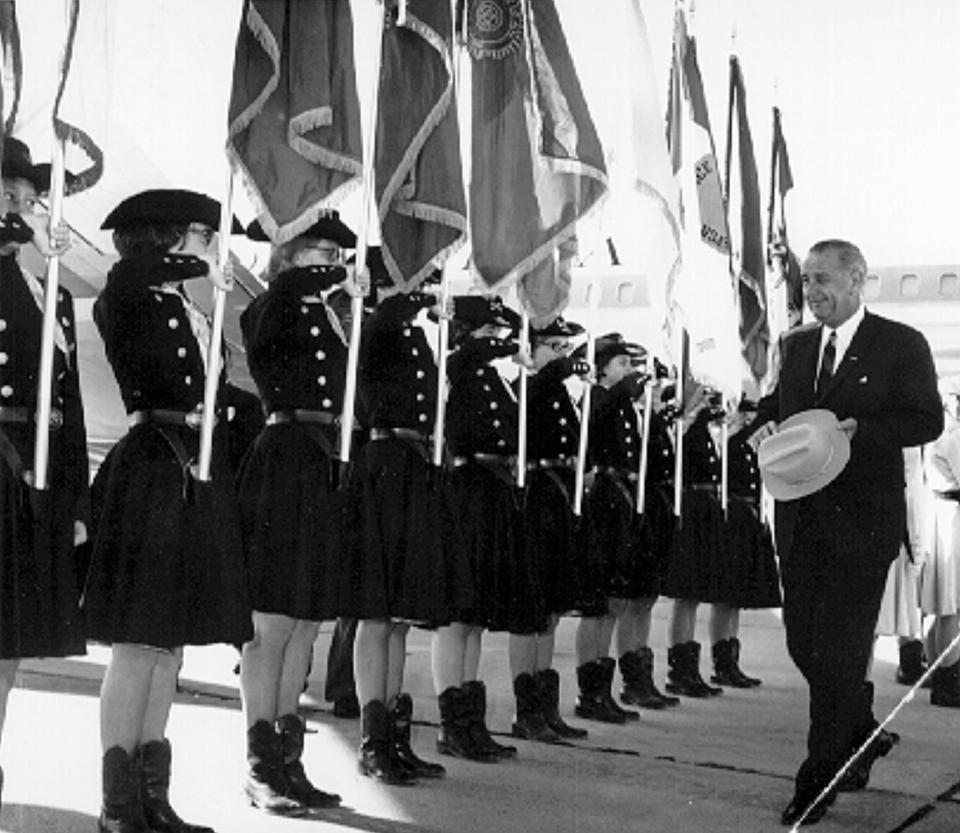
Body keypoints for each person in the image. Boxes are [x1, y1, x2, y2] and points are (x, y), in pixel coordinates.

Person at [751, 239, 942, 827]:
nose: (813, 292)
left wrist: (867, 431)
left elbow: (927, 419)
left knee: (837, 653)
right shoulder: (796, 345)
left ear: (858, 280)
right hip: (801, 520)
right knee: (802, 645)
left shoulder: (900, 344)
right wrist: (758, 427)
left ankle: (819, 777)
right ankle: (860, 731)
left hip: (862, 525)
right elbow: (774, 407)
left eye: (824, 280)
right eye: (807, 281)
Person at [84, 190, 253, 833]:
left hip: (192, 466)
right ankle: (117, 804)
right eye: (205, 236)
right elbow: (128, 276)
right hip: (153, 465)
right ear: (171, 237)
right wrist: (195, 270)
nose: (213, 248)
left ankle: (152, 798)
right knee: (137, 642)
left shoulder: (184, 303)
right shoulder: (129, 293)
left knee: (167, 646)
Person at [235, 213, 356, 812]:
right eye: (319, 251)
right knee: (272, 625)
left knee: (307, 622)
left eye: (337, 252)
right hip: (284, 458)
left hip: (324, 460)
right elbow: (260, 338)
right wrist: (302, 280)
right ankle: (259, 765)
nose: (332, 261)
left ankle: (287, 757)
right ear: (287, 256)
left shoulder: (332, 316)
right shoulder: (270, 305)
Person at [342, 274, 463, 785]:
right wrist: (409, 297)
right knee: (376, 613)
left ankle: (392, 735)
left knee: (399, 618)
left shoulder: (415, 333)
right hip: (384, 463)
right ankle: (373, 741)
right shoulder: (375, 324)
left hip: (413, 465)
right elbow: (375, 330)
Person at [0, 137, 85, 809]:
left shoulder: (45, 283)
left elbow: (70, 401)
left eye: (27, 197)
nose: (20, 207)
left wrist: (76, 495)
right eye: (7, 194)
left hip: (33, 477)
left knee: (9, 645)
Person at [434, 294, 529, 762]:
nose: (497, 341)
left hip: (493, 491)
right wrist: (499, 348)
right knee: (457, 617)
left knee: (474, 619)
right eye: (487, 333)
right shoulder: (458, 368)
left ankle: (472, 722)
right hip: (467, 489)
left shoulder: (493, 377)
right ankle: (452, 723)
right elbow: (462, 359)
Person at [509, 318, 593, 742]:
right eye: (553, 345)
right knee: (532, 608)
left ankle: (546, 705)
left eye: (564, 347)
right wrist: (551, 371)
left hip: (558, 497)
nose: (561, 353)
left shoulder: (559, 390)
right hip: (537, 495)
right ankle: (526, 711)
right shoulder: (524, 382)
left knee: (552, 609)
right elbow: (525, 410)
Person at [707, 399, 782, 690]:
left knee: (737, 596)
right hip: (734, 516)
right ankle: (721, 660)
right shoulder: (735, 444)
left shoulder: (757, 447)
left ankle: (731, 659)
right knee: (727, 595)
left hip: (750, 516)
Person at [662, 386, 727, 699]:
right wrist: (686, 420)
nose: (707, 402)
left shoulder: (705, 429)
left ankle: (689, 668)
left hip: (704, 508)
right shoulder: (686, 430)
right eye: (701, 396)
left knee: (694, 595)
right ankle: (680, 670)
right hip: (690, 507)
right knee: (685, 594)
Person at [921, 381, 960, 708]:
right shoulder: (954, 438)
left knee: (943, 606)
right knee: (951, 606)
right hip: (950, 519)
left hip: (942, 515)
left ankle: (937, 674)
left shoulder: (943, 435)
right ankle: (947, 681)